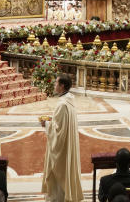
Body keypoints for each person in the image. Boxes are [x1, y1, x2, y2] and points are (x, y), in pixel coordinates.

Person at [42, 74, 83, 202]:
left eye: (56, 83)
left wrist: (46, 124)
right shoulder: (69, 101)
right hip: (67, 145)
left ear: (62, 86)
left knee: (58, 182)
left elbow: (58, 133)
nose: (54, 85)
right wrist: (52, 120)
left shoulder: (62, 105)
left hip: (62, 150)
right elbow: (62, 125)